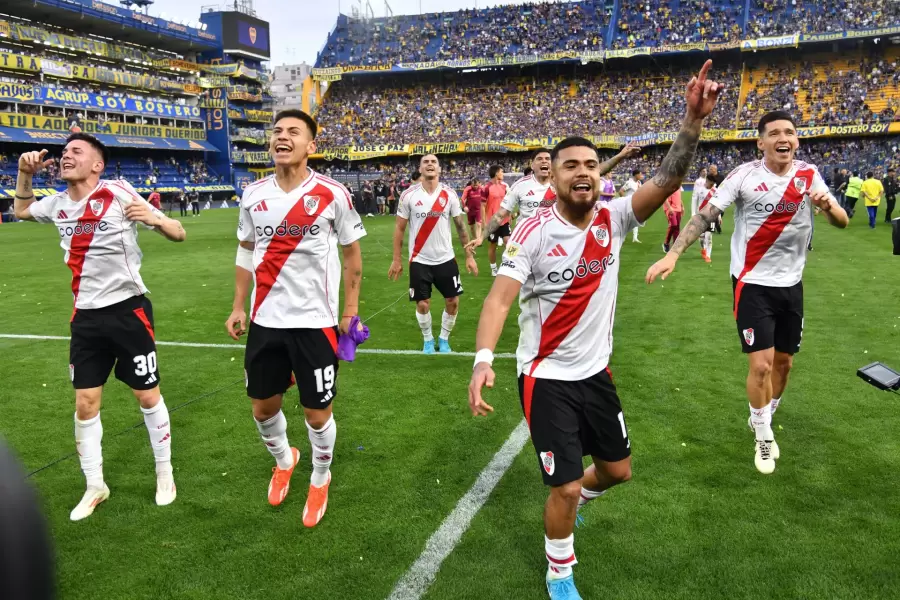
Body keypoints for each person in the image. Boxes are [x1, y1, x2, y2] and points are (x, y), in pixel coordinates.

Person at [468, 60, 723, 600]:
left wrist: (692, 121)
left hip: (596, 373)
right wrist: (483, 359)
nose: (582, 172)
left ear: (599, 173)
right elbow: (498, 299)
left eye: (590, 164)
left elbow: (669, 177)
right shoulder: (532, 232)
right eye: (570, 166)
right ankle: (560, 572)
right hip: (546, 377)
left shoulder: (615, 217)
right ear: (553, 177)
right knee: (562, 486)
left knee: (615, 473)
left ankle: (575, 501)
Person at [646, 110, 849, 475]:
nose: (783, 138)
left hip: (792, 285)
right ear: (761, 142)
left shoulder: (808, 174)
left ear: (796, 140)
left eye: (789, 132)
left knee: (784, 364)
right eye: (774, 133)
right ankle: (763, 435)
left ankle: (764, 413)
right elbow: (706, 215)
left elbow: (842, 221)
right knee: (761, 366)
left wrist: (828, 206)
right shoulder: (743, 176)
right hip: (752, 284)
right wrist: (674, 254)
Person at [13, 133, 186, 520]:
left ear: (97, 164)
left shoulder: (119, 191)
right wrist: (25, 174)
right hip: (86, 318)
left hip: (129, 312)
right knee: (85, 403)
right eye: (63, 153)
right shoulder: (56, 205)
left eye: (76, 152)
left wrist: (154, 220)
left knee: (146, 395)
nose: (65, 157)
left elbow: (179, 232)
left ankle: (164, 472)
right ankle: (95, 485)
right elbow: (22, 210)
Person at [225, 109, 365, 528]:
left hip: (315, 322)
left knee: (316, 414)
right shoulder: (252, 194)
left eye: (293, 132)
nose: (282, 137)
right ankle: (285, 460)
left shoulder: (333, 193)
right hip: (266, 321)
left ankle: (320, 477)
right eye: (277, 131)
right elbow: (245, 251)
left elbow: (352, 254)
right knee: (262, 409)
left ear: (311, 146)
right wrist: (238, 304)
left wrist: (350, 310)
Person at [388, 154, 478, 354]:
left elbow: (461, 228)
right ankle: (428, 340)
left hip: (445, 258)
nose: (429, 164)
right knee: (422, 304)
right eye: (425, 162)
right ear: (420, 169)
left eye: (433, 162)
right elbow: (399, 229)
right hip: (419, 259)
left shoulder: (449, 194)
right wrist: (396, 259)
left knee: (453, 302)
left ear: (439, 169)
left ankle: (443, 339)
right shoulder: (408, 195)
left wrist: (469, 256)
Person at [482, 165, 510, 276]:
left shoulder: (504, 186)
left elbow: (508, 202)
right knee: (493, 245)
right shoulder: (487, 188)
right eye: (501, 172)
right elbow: (482, 206)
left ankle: (509, 265)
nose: (503, 174)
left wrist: (510, 215)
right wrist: (484, 222)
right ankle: (494, 268)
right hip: (492, 221)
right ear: (496, 173)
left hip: (504, 220)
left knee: (509, 242)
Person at [618, 168, 643, 242]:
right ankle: (622, 235)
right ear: (636, 175)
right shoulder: (629, 183)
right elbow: (621, 191)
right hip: (629, 204)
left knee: (636, 219)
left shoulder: (639, 182)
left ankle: (635, 237)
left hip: (636, 203)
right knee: (627, 221)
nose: (641, 176)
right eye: (640, 174)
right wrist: (625, 200)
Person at [662, 186, 684, 252]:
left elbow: (678, 197)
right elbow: (664, 197)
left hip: (678, 209)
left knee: (677, 227)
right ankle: (666, 243)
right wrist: (669, 208)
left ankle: (675, 246)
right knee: (673, 225)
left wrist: (682, 206)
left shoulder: (678, 186)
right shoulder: (668, 185)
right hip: (670, 209)